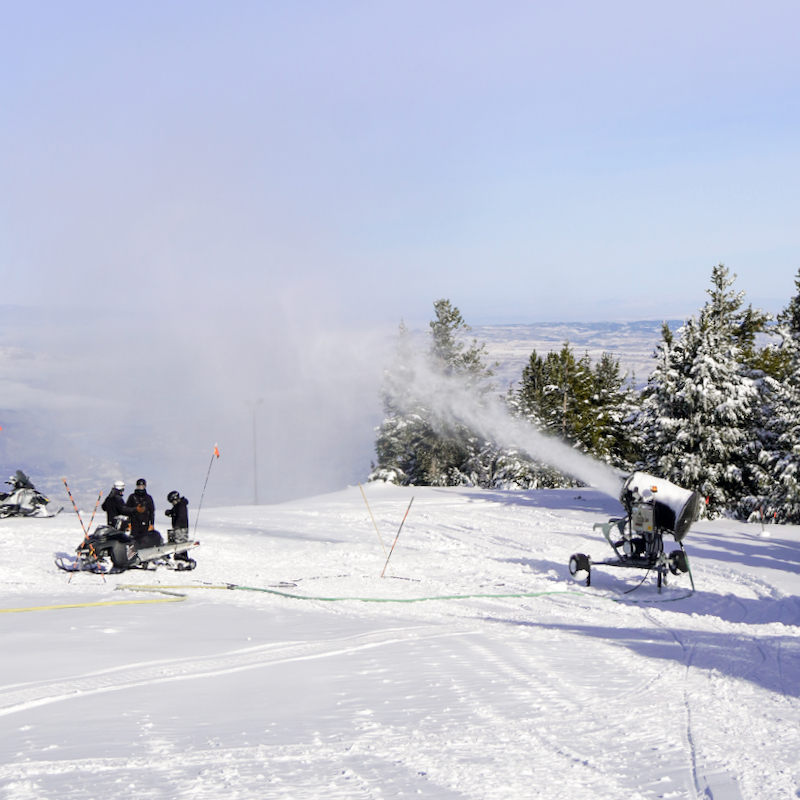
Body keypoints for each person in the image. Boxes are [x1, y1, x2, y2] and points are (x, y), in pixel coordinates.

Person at [126, 478, 161, 549]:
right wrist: (128, 523)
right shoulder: (132, 497)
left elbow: (152, 511)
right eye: (139, 486)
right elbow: (127, 510)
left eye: (142, 486)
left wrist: (151, 524)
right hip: (134, 523)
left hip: (145, 524)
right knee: (133, 540)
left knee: (145, 540)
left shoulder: (148, 498)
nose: (141, 488)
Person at [165, 490, 191, 562]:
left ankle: (181, 558)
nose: (172, 503)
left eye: (172, 501)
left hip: (181, 527)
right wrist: (169, 512)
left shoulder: (181, 505)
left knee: (180, 543)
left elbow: (180, 516)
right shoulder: (178, 505)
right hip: (178, 527)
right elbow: (174, 512)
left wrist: (177, 525)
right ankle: (180, 557)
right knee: (178, 542)